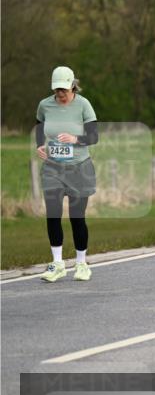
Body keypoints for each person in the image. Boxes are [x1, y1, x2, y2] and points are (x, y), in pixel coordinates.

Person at [35, 66, 98, 282]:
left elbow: (93, 136)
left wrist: (75, 139)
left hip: (79, 167)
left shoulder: (83, 105)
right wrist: (39, 146)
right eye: (56, 90)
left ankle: (81, 264)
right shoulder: (45, 105)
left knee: (76, 217)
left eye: (63, 89)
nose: (60, 94)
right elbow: (39, 127)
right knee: (53, 215)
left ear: (72, 85)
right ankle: (57, 264)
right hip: (53, 168)